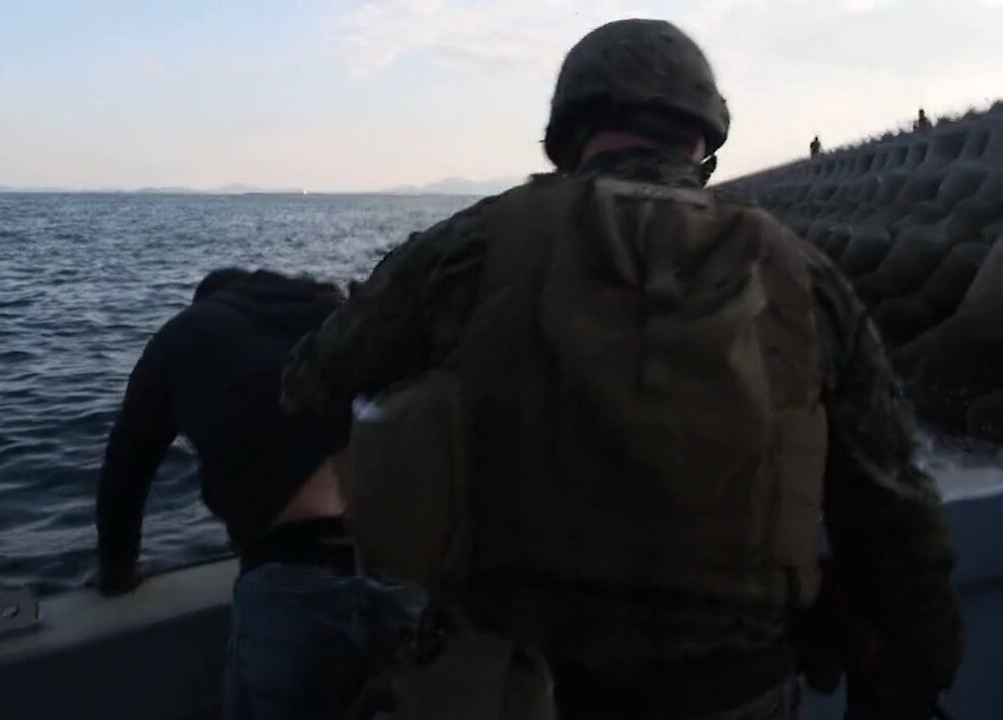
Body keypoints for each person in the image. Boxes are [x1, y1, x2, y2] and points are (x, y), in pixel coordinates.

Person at [281, 18, 961, 720]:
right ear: (702, 137)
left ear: (572, 129)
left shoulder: (472, 245)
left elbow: (311, 385)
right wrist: (911, 679)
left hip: (516, 689)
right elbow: (893, 507)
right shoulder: (800, 273)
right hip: (734, 691)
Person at [93, 267, 425, 720]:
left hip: (292, 579)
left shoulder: (184, 333)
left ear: (207, 301)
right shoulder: (331, 311)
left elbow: (126, 465)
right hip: (408, 568)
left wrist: (117, 569)